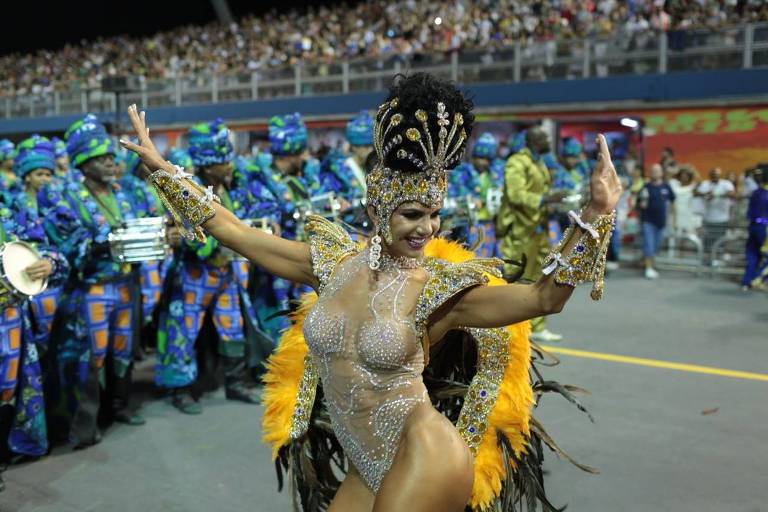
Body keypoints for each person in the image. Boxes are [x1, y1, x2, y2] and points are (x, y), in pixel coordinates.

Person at [122, 72, 621, 512]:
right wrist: (162, 169)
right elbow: (235, 232)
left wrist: (596, 215)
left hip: (425, 454)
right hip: (366, 461)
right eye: (412, 215)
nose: (426, 229)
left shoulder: (440, 288)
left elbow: (541, 299)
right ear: (379, 208)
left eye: (433, 215)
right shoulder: (330, 263)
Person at [38, 114, 145, 449]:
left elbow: (140, 229)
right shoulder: (66, 197)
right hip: (92, 289)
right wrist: (99, 243)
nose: (110, 163)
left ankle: (120, 407)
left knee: (122, 349)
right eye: (101, 158)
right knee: (91, 355)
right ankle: (86, 423)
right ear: (83, 164)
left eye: (111, 156)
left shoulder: (123, 194)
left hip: (125, 284)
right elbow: (63, 245)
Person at [0, 137, 68, 489]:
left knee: (7, 388)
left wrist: (49, 262)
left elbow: (55, 252)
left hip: (12, 316)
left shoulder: (10, 213)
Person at [496, 127, 567, 343]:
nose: (548, 139)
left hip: (538, 228)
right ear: (534, 141)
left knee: (540, 276)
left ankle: (536, 326)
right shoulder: (517, 162)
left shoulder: (539, 161)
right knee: (515, 275)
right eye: (544, 137)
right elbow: (516, 194)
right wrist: (544, 200)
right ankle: (505, 325)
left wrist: (553, 199)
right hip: (520, 230)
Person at [638, 164, 675, 279]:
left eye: (657, 171)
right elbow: (638, 203)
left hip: (661, 221)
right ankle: (649, 268)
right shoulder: (646, 187)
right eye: (653, 171)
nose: (655, 173)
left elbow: (673, 202)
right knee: (649, 245)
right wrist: (641, 204)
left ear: (661, 173)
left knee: (656, 246)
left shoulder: (666, 187)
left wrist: (674, 219)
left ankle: (648, 263)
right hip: (648, 221)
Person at [695, 167, 736, 262]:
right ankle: (708, 259)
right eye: (713, 174)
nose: (715, 176)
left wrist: (717, 195)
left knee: (720, 240)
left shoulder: (726, 184)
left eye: (717, 175)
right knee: (707, 240)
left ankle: (718, 259)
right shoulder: (705, 184)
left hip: (722, 218)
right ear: (710, 175)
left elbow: (732, 193)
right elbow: (696, 192)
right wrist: (705, 194)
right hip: (707, 218)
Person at [742, 168, 768, 290]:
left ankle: (746, 281)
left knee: (752, 254)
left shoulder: (756, 192)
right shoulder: (760, 193)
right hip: (764, 228)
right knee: (763, 256)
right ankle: (757, 279)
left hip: (754, 226)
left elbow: (749, 213)